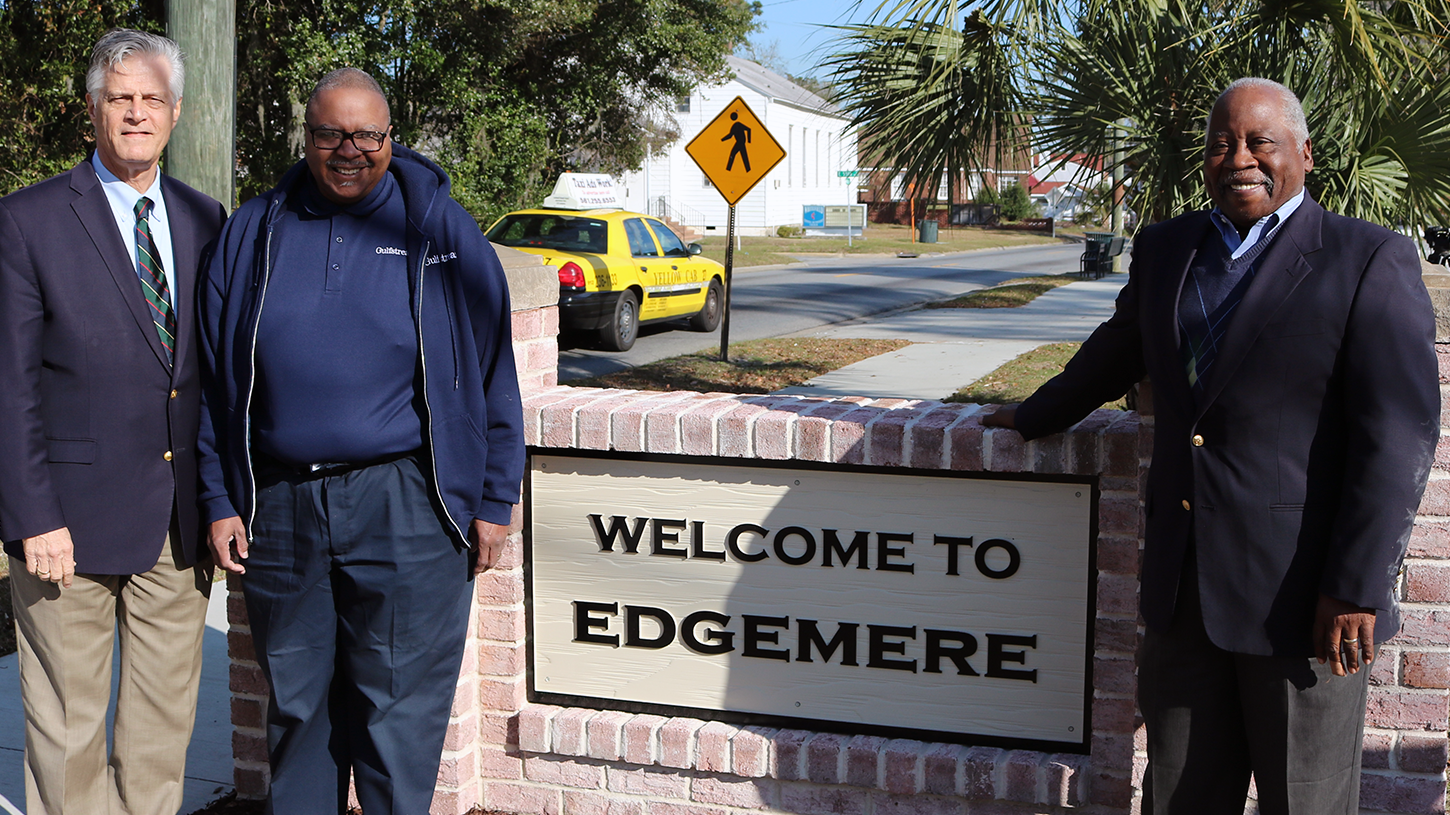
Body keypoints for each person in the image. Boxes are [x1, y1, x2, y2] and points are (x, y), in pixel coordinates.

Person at [984, 77, 1437, 814]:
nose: (1240, 158)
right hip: (1182, 593)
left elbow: (1398, 432)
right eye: (1221, 143)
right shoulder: (1167, 247)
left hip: (1306, 607)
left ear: (1304, 154)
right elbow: (1117, 349)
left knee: (1308, 803)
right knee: (1180, 798)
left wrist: (1356, 585)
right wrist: (1034, 414)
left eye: (1260, 141)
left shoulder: (1365, 258)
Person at [197, 67, 525, 814]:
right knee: (298, 712)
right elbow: (216, 381)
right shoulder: (254, 230)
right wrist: (220, 495)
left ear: (389, 137)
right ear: (306, 137)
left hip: (406, 501)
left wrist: (495, 496)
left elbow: (492, 372)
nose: (349, 149)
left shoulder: (439, 231)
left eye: (366, 134)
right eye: (329, 133)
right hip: (280, 506)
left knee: (397, 716)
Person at [0, 28, 227, 815]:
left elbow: (212, 378)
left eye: (151, 99)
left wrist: (220, 499)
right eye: (120, 97)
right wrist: (33, 516)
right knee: (66, 736)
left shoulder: (206, 220)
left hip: (177, 523)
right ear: (93, 109)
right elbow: (9, 383)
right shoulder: (26, 221)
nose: (136, 113)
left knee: (163, 732)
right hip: (65, 526)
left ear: (174, 112)